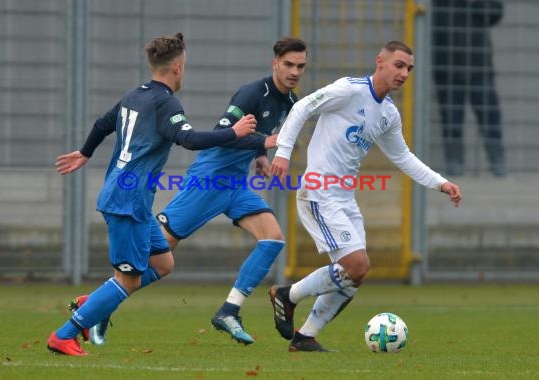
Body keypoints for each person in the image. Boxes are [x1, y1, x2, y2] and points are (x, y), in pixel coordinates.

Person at [47, 33, 258, 356]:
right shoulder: (165, 102)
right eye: (184, 67)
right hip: (126, 202)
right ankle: (64, 334)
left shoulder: (135, 95)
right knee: (128, 280)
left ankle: (97, 301)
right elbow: (188, 139)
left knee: (162, 262)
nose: (183, 72)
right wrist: (234, 132)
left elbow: (104, 123)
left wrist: (86, 152)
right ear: (176, 67)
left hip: (133, 200)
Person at [268, 41, 462, 352]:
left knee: (355, 275)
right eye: (398, 65)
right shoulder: (349, 90)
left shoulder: (388, 114)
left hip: (345, 198)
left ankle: (305, 336)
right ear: (380, 62)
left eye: (409, 69)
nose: (404, 73)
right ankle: (287, 296)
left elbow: (403, 157)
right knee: (356, 265)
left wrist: (441, 183)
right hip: (318, 191)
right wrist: (283, 153)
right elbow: (302, 107)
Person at [156, 37, 308, 345]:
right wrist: (263, 144)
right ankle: (94, 304)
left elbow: (257, 137)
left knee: (272, 239)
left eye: (301, 66)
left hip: (237, 183)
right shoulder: (252, 93)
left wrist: (260, 158)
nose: (294, 71)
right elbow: (224, 136)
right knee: (157, 255)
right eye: (289, 64)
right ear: (275, 63)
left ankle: (229, 310)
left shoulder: (292, 104)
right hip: (210, 178)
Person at [432, 0, 506, 176]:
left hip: (479, 65)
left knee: (489, 116)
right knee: (451, 118)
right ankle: (454, 163)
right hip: (446, 66)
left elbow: (495, 13)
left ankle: (497, 163)